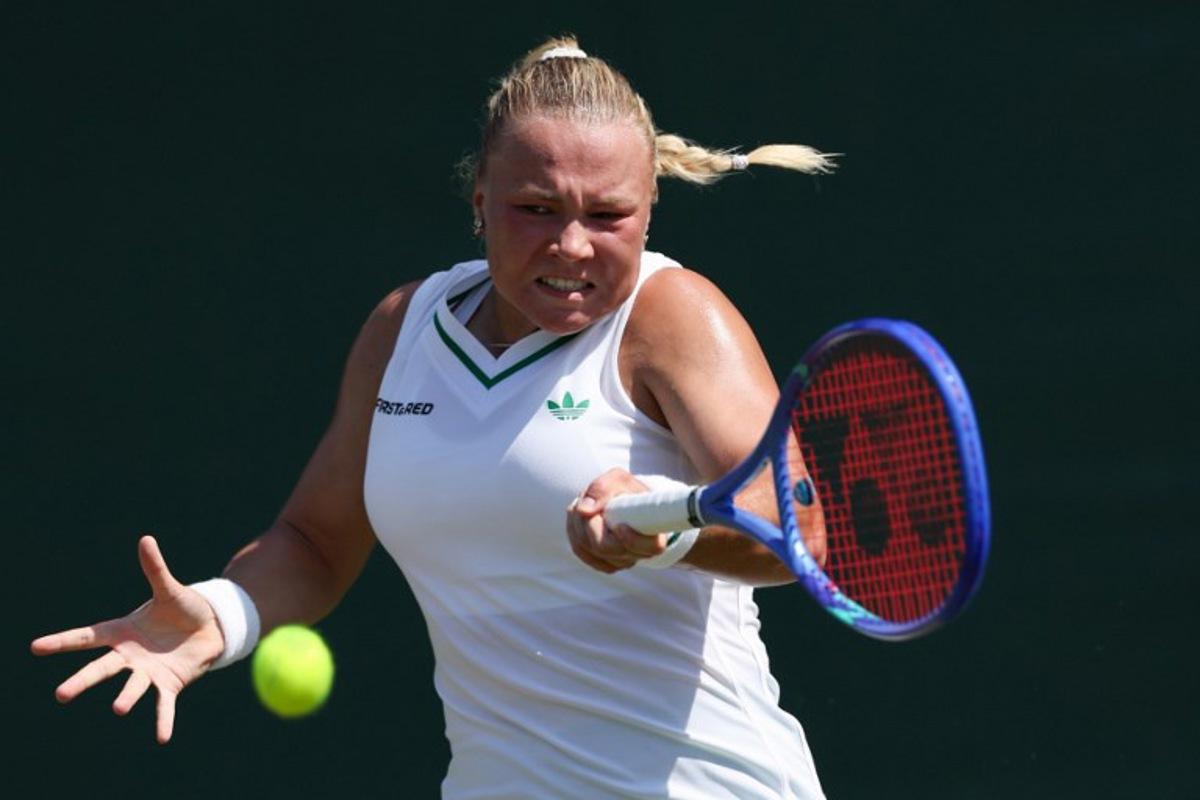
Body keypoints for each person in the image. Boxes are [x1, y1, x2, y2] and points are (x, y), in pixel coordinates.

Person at [32, 37, 835, 799]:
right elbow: (315, 543)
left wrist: (671, 538)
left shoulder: (672, 316)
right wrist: (222, 614)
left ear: (651, 208)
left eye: (607, 215)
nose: (572, 246)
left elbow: (798, 525)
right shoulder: (403, 329)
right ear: (478, 197)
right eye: (535, 207)